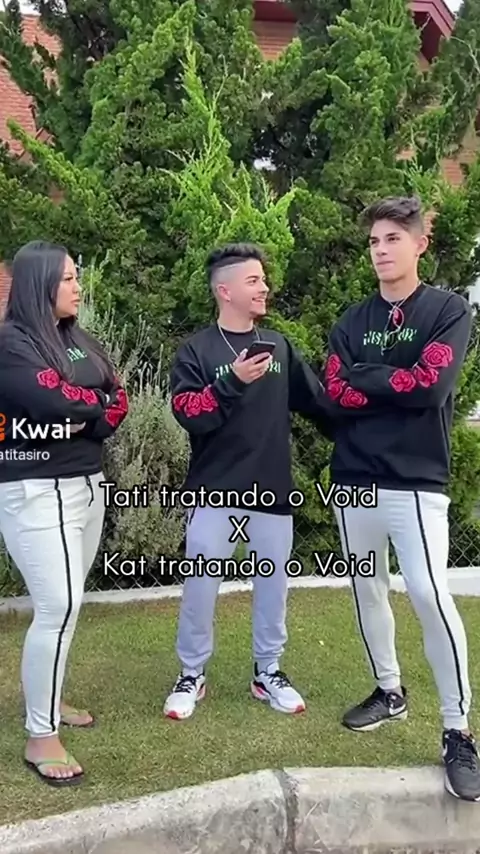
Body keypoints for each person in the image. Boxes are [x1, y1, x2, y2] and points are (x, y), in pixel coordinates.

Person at [320, 195, 480, 802]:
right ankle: (389, 691)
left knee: (429, 594)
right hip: (354, 482)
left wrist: (368, 376)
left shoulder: (448, 310)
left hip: (415, 483)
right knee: (367, 590)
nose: (381, 250)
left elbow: (431, 387)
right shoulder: (350, 320)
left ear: (419, 245)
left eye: (392, 238)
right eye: (374, 241)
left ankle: (457, 729)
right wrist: (391, 382)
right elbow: (335, 395)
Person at [164, 242, 332, 720]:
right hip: (213, 492)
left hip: (271, 490)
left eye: (263, 279)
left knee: (273, 586)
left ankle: (268, 671)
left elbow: (318, 403)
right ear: (225, 290)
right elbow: (190, 413)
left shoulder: (279, 346)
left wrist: (368, 428)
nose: (264, 288)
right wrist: (233, 380)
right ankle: (191, 673)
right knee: (201, 587)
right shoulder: (196, 351)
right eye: (254, 280)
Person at [0, 240, 128, 786]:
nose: (78, 286)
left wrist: (88, 412)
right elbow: (53, 401)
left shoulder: (78, 340)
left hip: (85, 485)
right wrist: (87, 407)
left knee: (67, 607)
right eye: (70, 278)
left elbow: (118, 398)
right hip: (35, 488)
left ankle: (48, 700)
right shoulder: (12, 343)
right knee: (59, 605)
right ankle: (40, 735)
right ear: (41, 283)